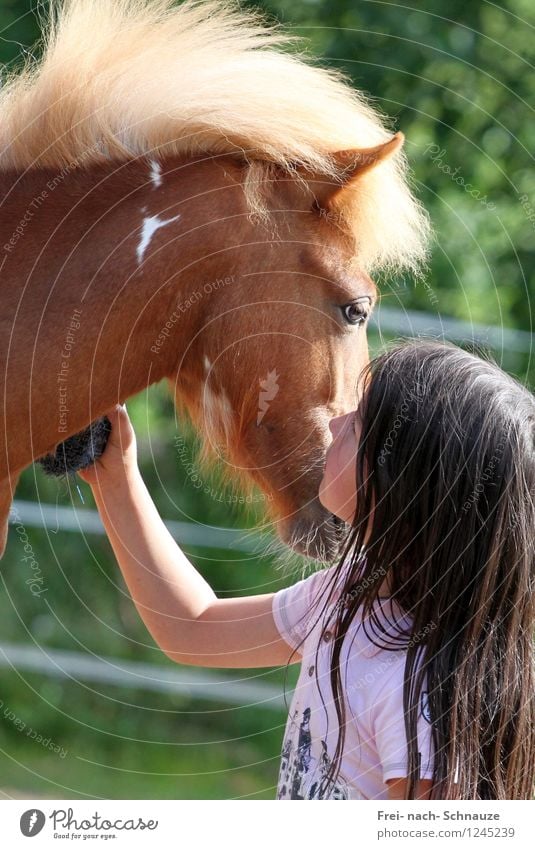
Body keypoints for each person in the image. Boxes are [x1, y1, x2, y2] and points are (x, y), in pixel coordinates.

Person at [77, 338, 535, 800]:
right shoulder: (350, 593)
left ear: (404, 482)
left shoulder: (421, 696)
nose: (334, 423)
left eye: (357, 425)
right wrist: (116, 474)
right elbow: (192, 627)